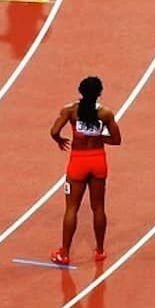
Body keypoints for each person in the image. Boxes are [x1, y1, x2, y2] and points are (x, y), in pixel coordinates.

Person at [49, 77, 122, 265]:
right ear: (100, 92)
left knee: (71, 208)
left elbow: (54, 131)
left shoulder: (70, 110)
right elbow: (116, 140)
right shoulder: (106, 113)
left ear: (80, 91)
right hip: (98, 161)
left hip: (78, 162)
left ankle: (64, 253)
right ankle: (99, 250)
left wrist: (59, 140)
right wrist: (99, 139)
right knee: (98, 207)